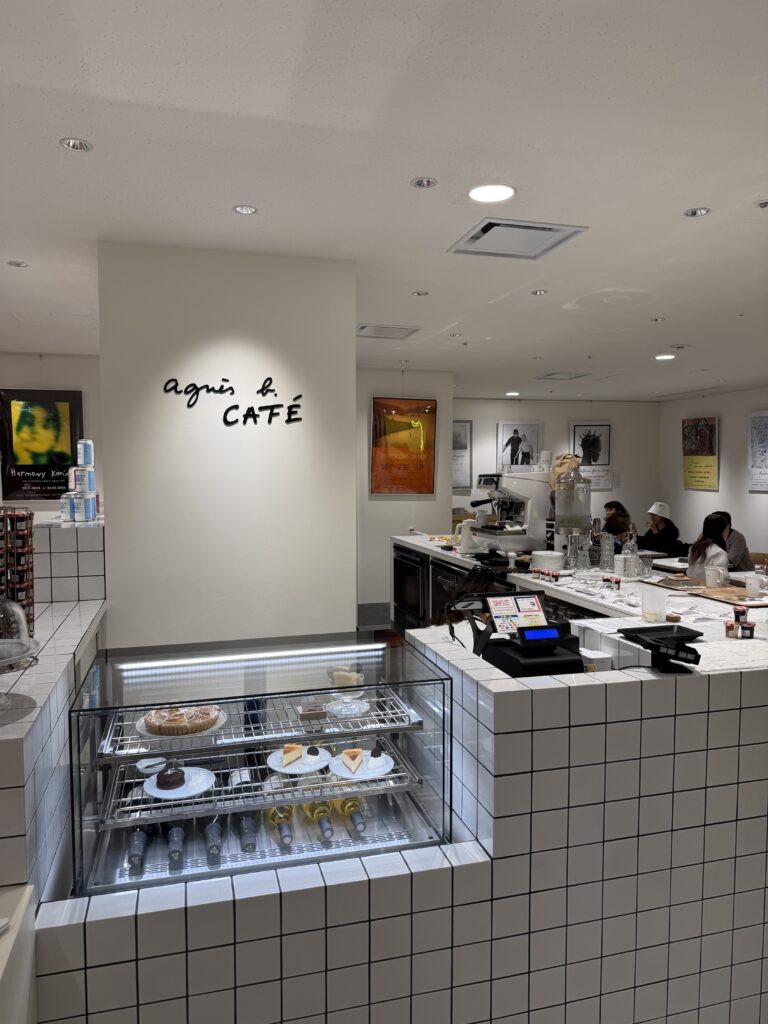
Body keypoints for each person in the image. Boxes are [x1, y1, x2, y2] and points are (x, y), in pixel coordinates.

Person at [12, 400, 70, 466]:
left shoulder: (65, 461)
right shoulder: (8, 459)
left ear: (55, 438)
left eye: (45, 426)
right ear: (18, 428)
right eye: (29, 422)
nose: (35, 429)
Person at [686, 513, 730, 579]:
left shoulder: (694, 548)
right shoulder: (720, 553)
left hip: (692, 583)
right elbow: (720, 578)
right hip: (708, 585)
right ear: (722, 531)